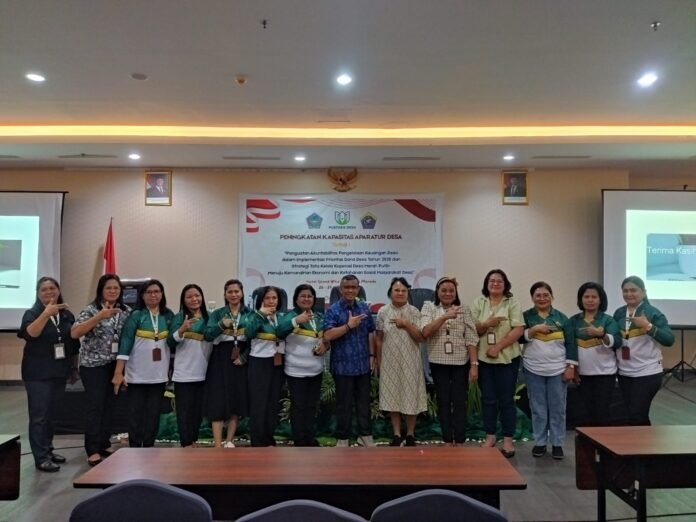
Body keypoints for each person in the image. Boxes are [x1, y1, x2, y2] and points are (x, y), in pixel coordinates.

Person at [18, 277, 79, 472]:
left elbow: (73, 344)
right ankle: (41, 457)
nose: (49, 292)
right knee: (40, 416)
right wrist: (46, 314)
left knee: (53, 415)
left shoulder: (66, 314)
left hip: (59, 371)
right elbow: (31, 333)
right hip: (37, 373)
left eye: (52, 288)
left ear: (58, 290)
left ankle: (49, 449)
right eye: (44, 289)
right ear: (38, 293)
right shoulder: (32, 313)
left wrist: (74, 368)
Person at [71, 274, 130, 466]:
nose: (113, 291)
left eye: (116, 288)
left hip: (115, 366)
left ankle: (104, 443)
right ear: (101, 290)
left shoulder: (126, 311)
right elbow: (75, 332)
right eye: (108, 288)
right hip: (93, 366)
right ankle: (92, 449)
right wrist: (99, 317)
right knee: (95, 407)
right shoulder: (91, 309)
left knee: (109, 406)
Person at [112, 279, 174, 447]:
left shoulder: (168, 315)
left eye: (157, 291)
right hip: (136, 375)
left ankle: (148, 446)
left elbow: (174, 340)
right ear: (142, 295)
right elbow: (125, 344)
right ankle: (135, 447)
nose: (153, 295)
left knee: (153, 414)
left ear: (162, 294)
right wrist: (118, 372)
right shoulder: (136, 316)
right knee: (135, 413)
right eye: (149, 292)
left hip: (158, 375)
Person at [421, 276, 479, 446]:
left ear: (456, 293)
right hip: (438, 362)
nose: (448, 293)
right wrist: (445, 317)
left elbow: (471, 338)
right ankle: (447, 439)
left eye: (451, 291)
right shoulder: (429, 307)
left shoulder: (464, 309)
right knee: (443, 402)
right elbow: (425, 332)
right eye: (444, 290)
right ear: (437, 292)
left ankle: (459, 439)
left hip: (461, 363)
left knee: (460, 402)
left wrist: (474, 365)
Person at [472, 269, 525, 458]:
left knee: (506, 400)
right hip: (484, 360)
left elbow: (518, 330)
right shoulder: (479, 303)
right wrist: (487, 324)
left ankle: (508, 440)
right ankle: (490, 436)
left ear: (505, 284)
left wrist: (498, 347)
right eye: (492, 281)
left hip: (507, 359)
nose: (495, 283)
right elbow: (473, 330)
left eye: (499, 281)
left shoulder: (512, 303)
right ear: (486, 284)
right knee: (488, 400)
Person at [521, 282, 577, 460]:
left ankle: (557, 443)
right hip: (533, 369)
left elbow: (571, 343)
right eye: (538, 295)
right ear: (532, 298)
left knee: (557, 408)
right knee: (538, 408)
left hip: (558, 370)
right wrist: (533, 330)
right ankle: (540, 442)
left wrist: (570, 367)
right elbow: (518, 338)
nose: (542, 298)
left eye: (546, 295)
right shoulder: (526, 316)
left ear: (552, 296)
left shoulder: (562, 318)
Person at [613, 276, 674, 425]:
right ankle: (639, 439)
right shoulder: (619, 313)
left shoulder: (653, 313)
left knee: (637, 413)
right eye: (625, 291)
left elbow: (669, 340)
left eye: (633, 290)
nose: (629, 294)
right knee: (631, 414)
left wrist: (648, 326)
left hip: (648, 372)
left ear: (644, 292)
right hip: (624, 372)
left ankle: (643, 440)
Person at [323, 274, 377, 447]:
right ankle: (343, 437)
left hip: (363, 364)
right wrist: (348, 326)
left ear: (358, 289)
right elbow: (327, 335)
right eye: (346, 287)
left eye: (353, 287)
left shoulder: (364, 308)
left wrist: (372, 356)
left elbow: (370, 332)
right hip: (342, 366)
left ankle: (365, 435)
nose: (350, 290)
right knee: (343, 405)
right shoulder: (333, 310)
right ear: (341, 290)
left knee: (364, 403)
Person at [375, 277, 426, 447]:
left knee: (411, 396)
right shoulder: (383, 312)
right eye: (397, 290)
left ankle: (410, 434)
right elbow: (379, 339)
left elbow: (421, 337)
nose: (400, 293)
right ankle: (396, 434)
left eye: (404, 290)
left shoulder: (414, 312)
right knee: (392, 397)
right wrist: (379, 361)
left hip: (410, 360)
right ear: (390, 292)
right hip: (389, 362)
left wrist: (406, 324)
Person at [276, 284, 328, 446]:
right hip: (295, 371)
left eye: (309, 296)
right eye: (303, 296)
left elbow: (325, 338)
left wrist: (325, 345)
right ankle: (299, 439)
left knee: (312, 406)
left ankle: (310, 437)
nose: (306, 299)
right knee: (299, 407)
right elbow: (278, 332)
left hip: (316, 370)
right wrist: (296, 321)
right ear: (296, 299)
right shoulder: (289, 316)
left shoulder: (319, 317)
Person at [204, 279, 251, 448]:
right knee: (218, 400)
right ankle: (218, 444)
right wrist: (221, 325)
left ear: (242, 293)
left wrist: (244, 357)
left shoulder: (249, 313)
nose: (233, 295)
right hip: (220, 358)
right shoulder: (218, 313)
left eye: (236, 291)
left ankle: (229, 441)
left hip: (240, 358)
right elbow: (208, 335)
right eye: (230, 292)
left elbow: (254, 339)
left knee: (236, 399)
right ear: (225, 294)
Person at [570, 282, 621, 427]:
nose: (590, 300)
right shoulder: (573, 321)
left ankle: (602, 441)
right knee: (585, 413)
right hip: (582, 375)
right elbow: (569, 346)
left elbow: (617, 342)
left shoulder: (608, 320)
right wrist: (572, 368)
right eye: (586, 297)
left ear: (600, 300)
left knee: (602, 413)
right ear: (581, 299)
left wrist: (601, 334)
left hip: (604, 374)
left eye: (594, 297)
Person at [167, 284, 211, 447]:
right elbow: (170, 342)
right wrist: (182, 329)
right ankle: (186, 444)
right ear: (184, 300)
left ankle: (193, 440)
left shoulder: (209, 317)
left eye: (197, 295)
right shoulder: (179, 317)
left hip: (204, 372)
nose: (194, 299)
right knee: (184, 412)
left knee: (197, 412)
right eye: (189, 297)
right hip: (184, 374)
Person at [245, 286, 286, 446]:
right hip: (259, 362)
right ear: (260, 300)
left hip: (277, 362)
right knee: (259, 402)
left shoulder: (281, 317)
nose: (271, 301)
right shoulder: (254, 315)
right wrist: (261, 314)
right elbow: (248, 333)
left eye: (274, 298)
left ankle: (269, 437)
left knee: (273, 401)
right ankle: (257, 439)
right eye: (267, 298)